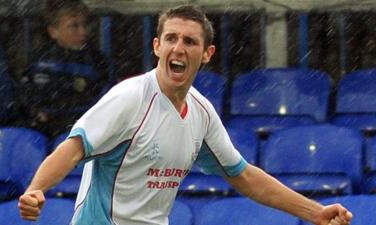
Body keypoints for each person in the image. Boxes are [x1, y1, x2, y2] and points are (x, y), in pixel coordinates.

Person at [18, 4, 353, 225]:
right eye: (171, 39)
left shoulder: (202, 113)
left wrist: (316, 213)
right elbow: (73, 147)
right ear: (157, 47)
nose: (178, 48)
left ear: (207, 54)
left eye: (189, 42)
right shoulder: (128, 97)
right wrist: (37, 188)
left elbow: (245, 177)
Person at [17, 0, 116, 138]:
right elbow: (26, 102)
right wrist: (36, 116)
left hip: (82, 135)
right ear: (53, 31)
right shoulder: (38, 62)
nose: (83, 32)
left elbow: (104, 107)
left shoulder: (99, 62)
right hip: (39, 135)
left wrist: (65, 120)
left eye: (85, 25)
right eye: (74, 26)